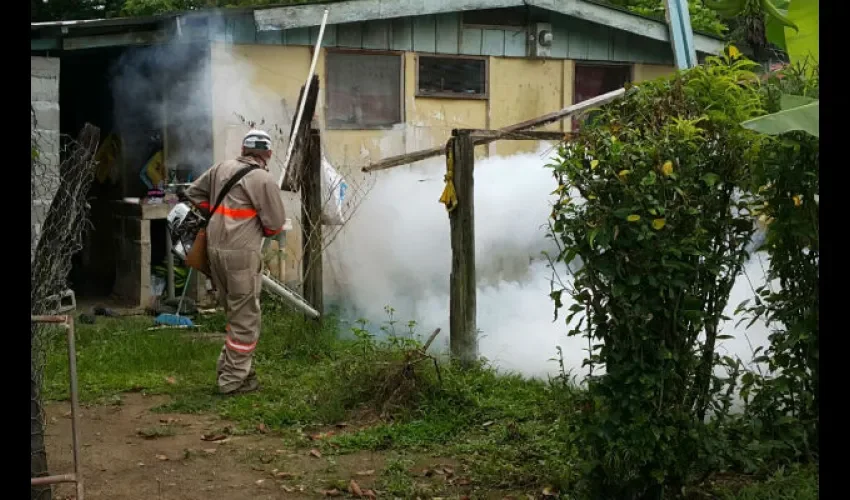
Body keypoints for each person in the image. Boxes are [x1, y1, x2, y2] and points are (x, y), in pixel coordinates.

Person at [185, 130, 286, 395]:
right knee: (245, 319)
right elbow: (275, 226)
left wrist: (217, 214)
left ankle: (237, 371)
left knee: (234, 313)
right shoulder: (263, 179)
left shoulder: (221, 168)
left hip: (214, 251)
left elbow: (193, 192)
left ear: (243, 149)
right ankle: (232, 381)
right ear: (268, 154)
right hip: (241, 255)